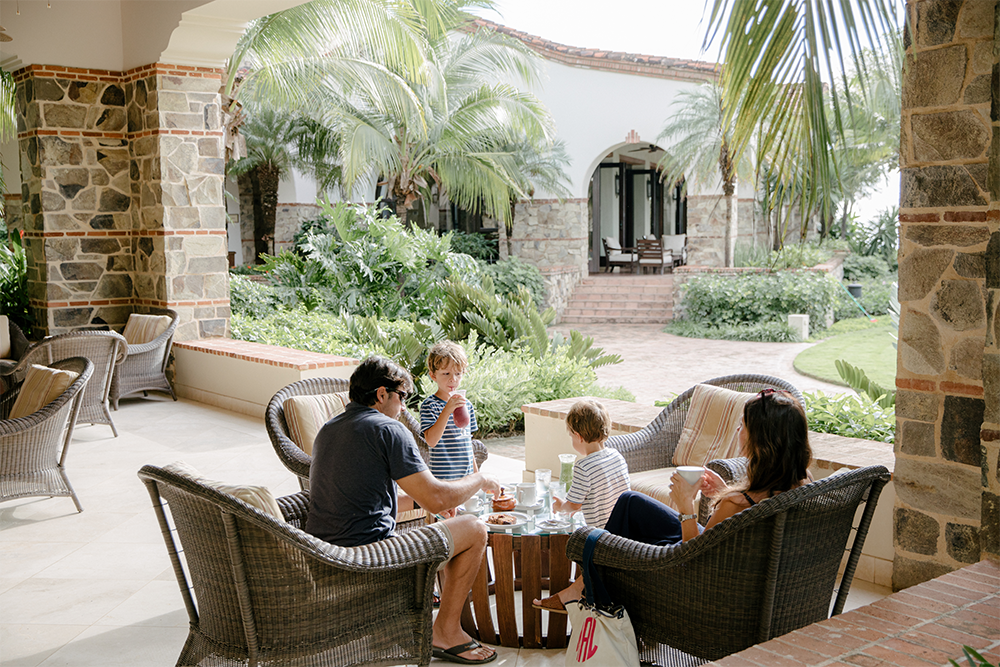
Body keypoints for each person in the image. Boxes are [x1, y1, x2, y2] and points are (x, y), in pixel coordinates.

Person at [534, 388, 813, 613]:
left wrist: (685, 506)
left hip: (698, 581)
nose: (738, 431)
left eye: (742, 426)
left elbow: (692, 560)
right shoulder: (802, 484)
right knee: (630, 502)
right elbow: (736, 526)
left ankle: (584, 589)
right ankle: (584, 585)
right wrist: (723, 490)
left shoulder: (737, 505)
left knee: (624, 533)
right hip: (739, 571)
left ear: (761, 442)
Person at [306, 355, 500, 665]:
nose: (404, 407)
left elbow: (364, 497)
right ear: (382, 395)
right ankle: (446, 631)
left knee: (453, 522)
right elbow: (437, 497)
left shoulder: (328, 429)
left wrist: (428, 503)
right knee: (474, 528)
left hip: (323, 555)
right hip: (370, 558)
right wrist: (480, 479)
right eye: (402, 396)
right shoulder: (387, 429)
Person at [550, 399, 630, 529]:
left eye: (571, 436)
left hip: (603, 534)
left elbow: (573, 504)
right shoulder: (617, 456)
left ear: (579, 436)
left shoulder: (583, 467)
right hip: (623, 528)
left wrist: (561, 506)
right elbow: (602, 496)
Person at [420, 341, 479, 492]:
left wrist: (476, 476)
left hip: (465, 479)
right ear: (433, 375)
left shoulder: (467, 405)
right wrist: (447, 410)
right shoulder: (430, 405)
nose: (453, 379)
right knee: (443, 515)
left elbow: (468, 443)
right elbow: (431, 441)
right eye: (446, 374)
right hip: (442, 480)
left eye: (458, 373)